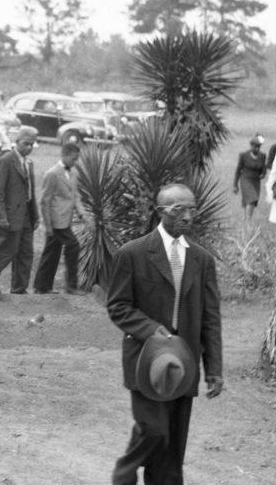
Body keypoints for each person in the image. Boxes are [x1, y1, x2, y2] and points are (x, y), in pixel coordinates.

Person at [106, 183, 223, 484]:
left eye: (192, 210)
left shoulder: (202, 260)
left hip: (183, 365)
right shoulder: (132, 254)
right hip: (145, 360)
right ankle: (125, 471)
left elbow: (210, 318)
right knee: (154, 428)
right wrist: (150, 330)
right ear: (160, 212)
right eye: (179, 210)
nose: (187, 216)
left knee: (172, 451)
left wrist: (214, 368)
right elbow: (118, 306)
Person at [0, 127, 40, 296]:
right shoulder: (7, 160)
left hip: (26, 217)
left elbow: (30, 192)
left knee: (25, 254)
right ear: (17, 142)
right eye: (25, 144)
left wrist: (35, 216)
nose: (28, 147)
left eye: (31, 144)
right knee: (5, 252)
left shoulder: (28, 163)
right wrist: (1, 216)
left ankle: (19, 289)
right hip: (9, 217)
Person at [33, 142, 89, 295]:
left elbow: (76, 196)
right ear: (64, 155)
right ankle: (71, 285)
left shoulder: (73, 173)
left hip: (66, 219)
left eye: (77, 159)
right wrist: (48, 225)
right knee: (73, 246)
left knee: (51, 252)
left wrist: (82, 214)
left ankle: (42, 287)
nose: (75, 162)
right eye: (73, 159)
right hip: (56, 222)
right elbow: (45, 201)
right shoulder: (52, 174)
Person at [233, 135, 268, 222]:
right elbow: (238, 170)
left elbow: (263, 169)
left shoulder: (262, 156)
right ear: (251, 145)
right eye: (255, 146)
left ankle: (245, 220)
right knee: (252, 198)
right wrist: (235, 185)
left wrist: (263, 174)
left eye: (258, 147)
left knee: (249, 201)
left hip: (256, 181)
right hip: (246, 179)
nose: (256, 148)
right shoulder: (244, 155)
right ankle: (249, 221)